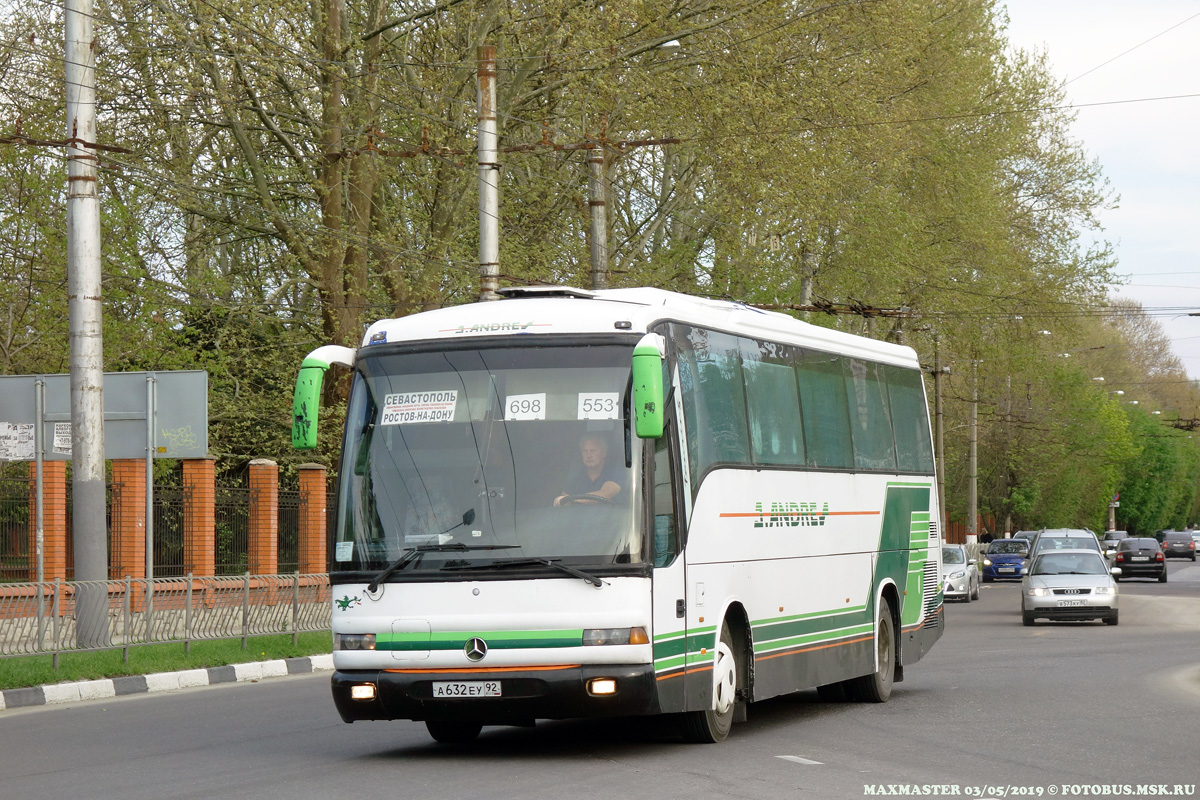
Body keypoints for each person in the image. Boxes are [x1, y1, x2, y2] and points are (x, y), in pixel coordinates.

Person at [554, 432, 624, 506]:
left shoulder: (616, 471)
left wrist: (571, 499)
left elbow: (605, 494)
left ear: (604, 453)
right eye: (585, 451)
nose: (589, 455)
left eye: (593, 451)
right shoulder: (576, 474)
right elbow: (564, 501)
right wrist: (562, 501)